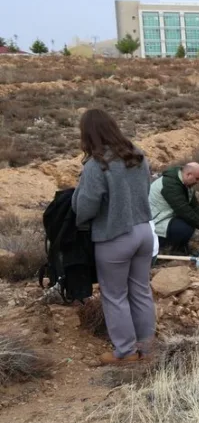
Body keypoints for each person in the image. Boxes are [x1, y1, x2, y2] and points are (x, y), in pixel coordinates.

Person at [72, 109, 155, 365]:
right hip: (144, 232)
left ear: (88, 134)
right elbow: (146, 188)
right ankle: (146, 348)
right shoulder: (137, 154)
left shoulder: (97, 164)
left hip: (115, 235)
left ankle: (126, 352)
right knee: (141, 291)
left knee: (115, 296)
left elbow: (86, 206)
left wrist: (77, 208)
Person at [149, 162, 199, 255]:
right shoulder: (170, 184)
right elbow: (183, 210)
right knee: (185, 227)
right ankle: (165, 248)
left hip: (167, 216)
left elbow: (194, 206)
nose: (198, 182)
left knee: (189, 223)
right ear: (188, 175)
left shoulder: (185, 184)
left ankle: (180, 247)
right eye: (197, 179)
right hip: (156, 221)